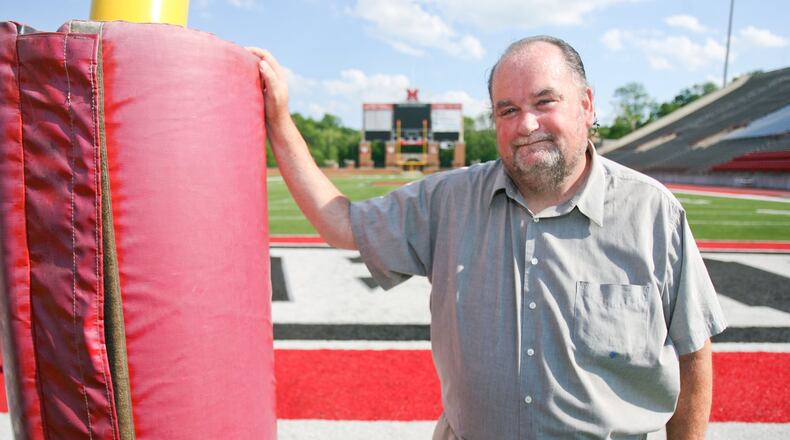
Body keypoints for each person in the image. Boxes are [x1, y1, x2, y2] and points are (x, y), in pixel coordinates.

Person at [247, 36, 726, 439]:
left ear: (586, 105)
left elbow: (693, 352)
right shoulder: (449, 200)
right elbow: (341, 225)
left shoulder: (652, 212)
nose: (526, 125)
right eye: (508, 110)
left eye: (544, 101)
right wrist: (280, 120)